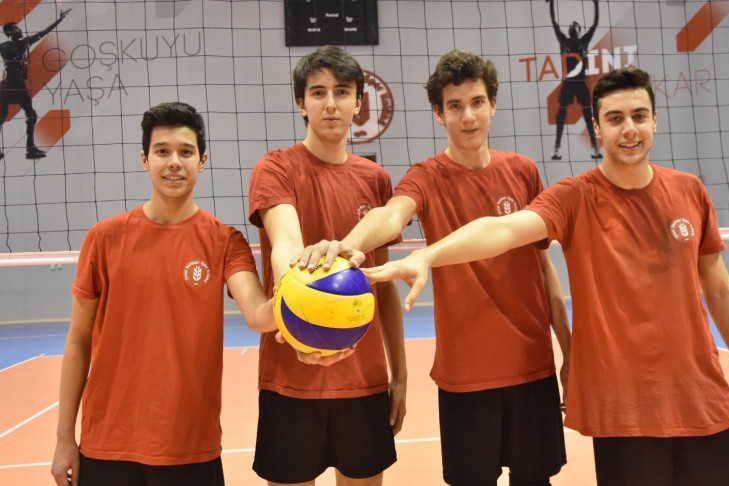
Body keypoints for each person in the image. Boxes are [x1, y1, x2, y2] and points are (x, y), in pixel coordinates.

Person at [363, 66, 729, 486]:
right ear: (596, 128)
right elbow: (502, 230)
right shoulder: (573, 197)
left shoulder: (690, 190)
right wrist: (427, 255)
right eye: (614, 118)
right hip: (624, 414)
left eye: (638, 116)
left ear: (655, 120)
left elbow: (721, 292)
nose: (629, 129)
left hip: (705, 401)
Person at [297, 49, 570, 486]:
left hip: (532, 367)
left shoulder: (523, 171)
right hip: (464, 377)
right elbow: (390, 215)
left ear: (493, 105)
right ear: (439, 115)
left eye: (477, 102)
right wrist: (348, 247)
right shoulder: (425, 176)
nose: (468, 116)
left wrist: (569, 352)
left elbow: (544, 267)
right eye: (455, 106)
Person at [50, 102, 277, 486]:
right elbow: (78, 340)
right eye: (162, 151)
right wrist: (63, 439)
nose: (174, 162)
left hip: (190, 445)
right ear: (145, 160)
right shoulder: (104, 238)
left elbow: (259, 314)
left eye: (186, 152)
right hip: (107, 445)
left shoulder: (225, 241)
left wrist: (310, 294)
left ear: (202, 161)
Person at [247, 45, 407, 486]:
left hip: (364, 379)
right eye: (318, 93)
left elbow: (382, 283)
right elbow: (285, 243)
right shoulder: (275, 168)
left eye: (342, 92)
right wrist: (298, 316)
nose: (330, 103)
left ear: (359, 102)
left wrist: (399, 375)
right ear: (301, 103)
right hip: (289, 379)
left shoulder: (375, 179)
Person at [0, 8, 70, 160]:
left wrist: (60, 19)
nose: (20, 30)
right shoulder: (10, 45)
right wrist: (61, 19)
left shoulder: (19, 43)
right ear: (10, 32)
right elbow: (43, 32)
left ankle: (30, 148)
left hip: (12, 82)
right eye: (16, 28)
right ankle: (30, 148)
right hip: (12, 81)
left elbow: (44, 32)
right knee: (14, 115)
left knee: (13, 115)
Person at [547, 0, 601, 160]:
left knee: (588, 114)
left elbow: (595, 24)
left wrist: (596, 4)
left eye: (575, 25)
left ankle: (594, 147)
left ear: (579, 30)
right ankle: (557, 148)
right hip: (568, 83)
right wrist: (551, 3)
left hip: (581, 83)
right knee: (561, 113)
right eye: (570, 25)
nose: (572, 26)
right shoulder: (563, 41)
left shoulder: (584, 41)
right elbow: (553, 22)